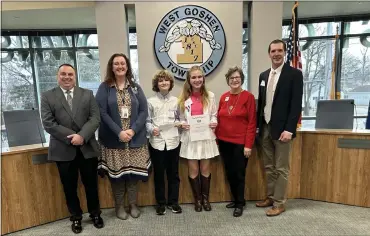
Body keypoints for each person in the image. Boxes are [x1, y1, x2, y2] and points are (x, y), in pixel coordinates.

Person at [40, 64, 104, 234]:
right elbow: (48, 123)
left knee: (91, 185)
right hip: (63, 149)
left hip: (87, 147)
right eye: (63, 74)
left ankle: (95, 214)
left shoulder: (87, 94)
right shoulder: (48, 96)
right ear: (57, 76)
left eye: (70, 74)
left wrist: (81, 136)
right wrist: (72, 137)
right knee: (69, 187)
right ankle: (76, 217)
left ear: (75, 76)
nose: (67, 77)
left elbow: (95, 118)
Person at [95, 53, 150, 220]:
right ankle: (119, 206)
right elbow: (101, 112)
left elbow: (143, 111)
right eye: (116, 63)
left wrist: (132, 130)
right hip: (114, 140)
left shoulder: (135, 87)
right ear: (111, 67)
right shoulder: (105, 87)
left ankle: (133, 204)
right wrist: (119, 132)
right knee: (117, 176)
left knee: (132, 175)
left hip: (134, 140)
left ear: (127, 66)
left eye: (123, 63)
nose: (120, 66)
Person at [255, 39, 303, 216]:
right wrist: (258, 127)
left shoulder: (294, 74)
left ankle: (279, 202)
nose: (276, 54)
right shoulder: (263, 76)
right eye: (273, 51)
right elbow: (261, 104)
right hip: (265, 127)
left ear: (284, 53)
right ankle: (270, 196)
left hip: (283, 130)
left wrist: (290, 129)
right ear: (269, 54)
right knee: (268, 166)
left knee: (281, 168)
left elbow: (296, 104)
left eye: (279, 51)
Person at [215, 66, 257, 217]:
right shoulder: (223, 97)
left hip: (240, 143)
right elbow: (218, 119)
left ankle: (240, 203)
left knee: (239, 174)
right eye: (232, 78)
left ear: (242, 79)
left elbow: (252, 122)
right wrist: (216, 138)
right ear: (228, 80)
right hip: (224, 141)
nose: (234, 80)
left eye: (237, 77)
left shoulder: (248, 97)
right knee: (230, 172)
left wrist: (248, 145)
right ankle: (236, 199)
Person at [178, 65, 219, 212]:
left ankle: (206, 199)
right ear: (189, 80)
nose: (197, 80)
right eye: (193, 77)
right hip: (190, 138)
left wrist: (215, 122)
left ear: (203, 78)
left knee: (205, 168)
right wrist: (183, 124)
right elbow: (181, 118)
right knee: (193, 169)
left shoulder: (211, 96)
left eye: (199, 77)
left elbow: (214, 114)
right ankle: (198, 200)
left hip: (206, 136)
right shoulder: (184, 98)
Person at [146, 70, 182, 215]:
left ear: (170, 83)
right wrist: (151, 129)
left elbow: (180, 119)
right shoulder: (150, 101)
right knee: (159, 174)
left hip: (173, 142)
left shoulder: (177, 101)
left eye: (166, 80)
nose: (163, 83)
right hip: (157, 142)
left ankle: (174, 202)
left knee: (173, 174)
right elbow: (147, 121)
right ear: (156, 84)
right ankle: (160, 203)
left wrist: (180, 124)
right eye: (160, 81)